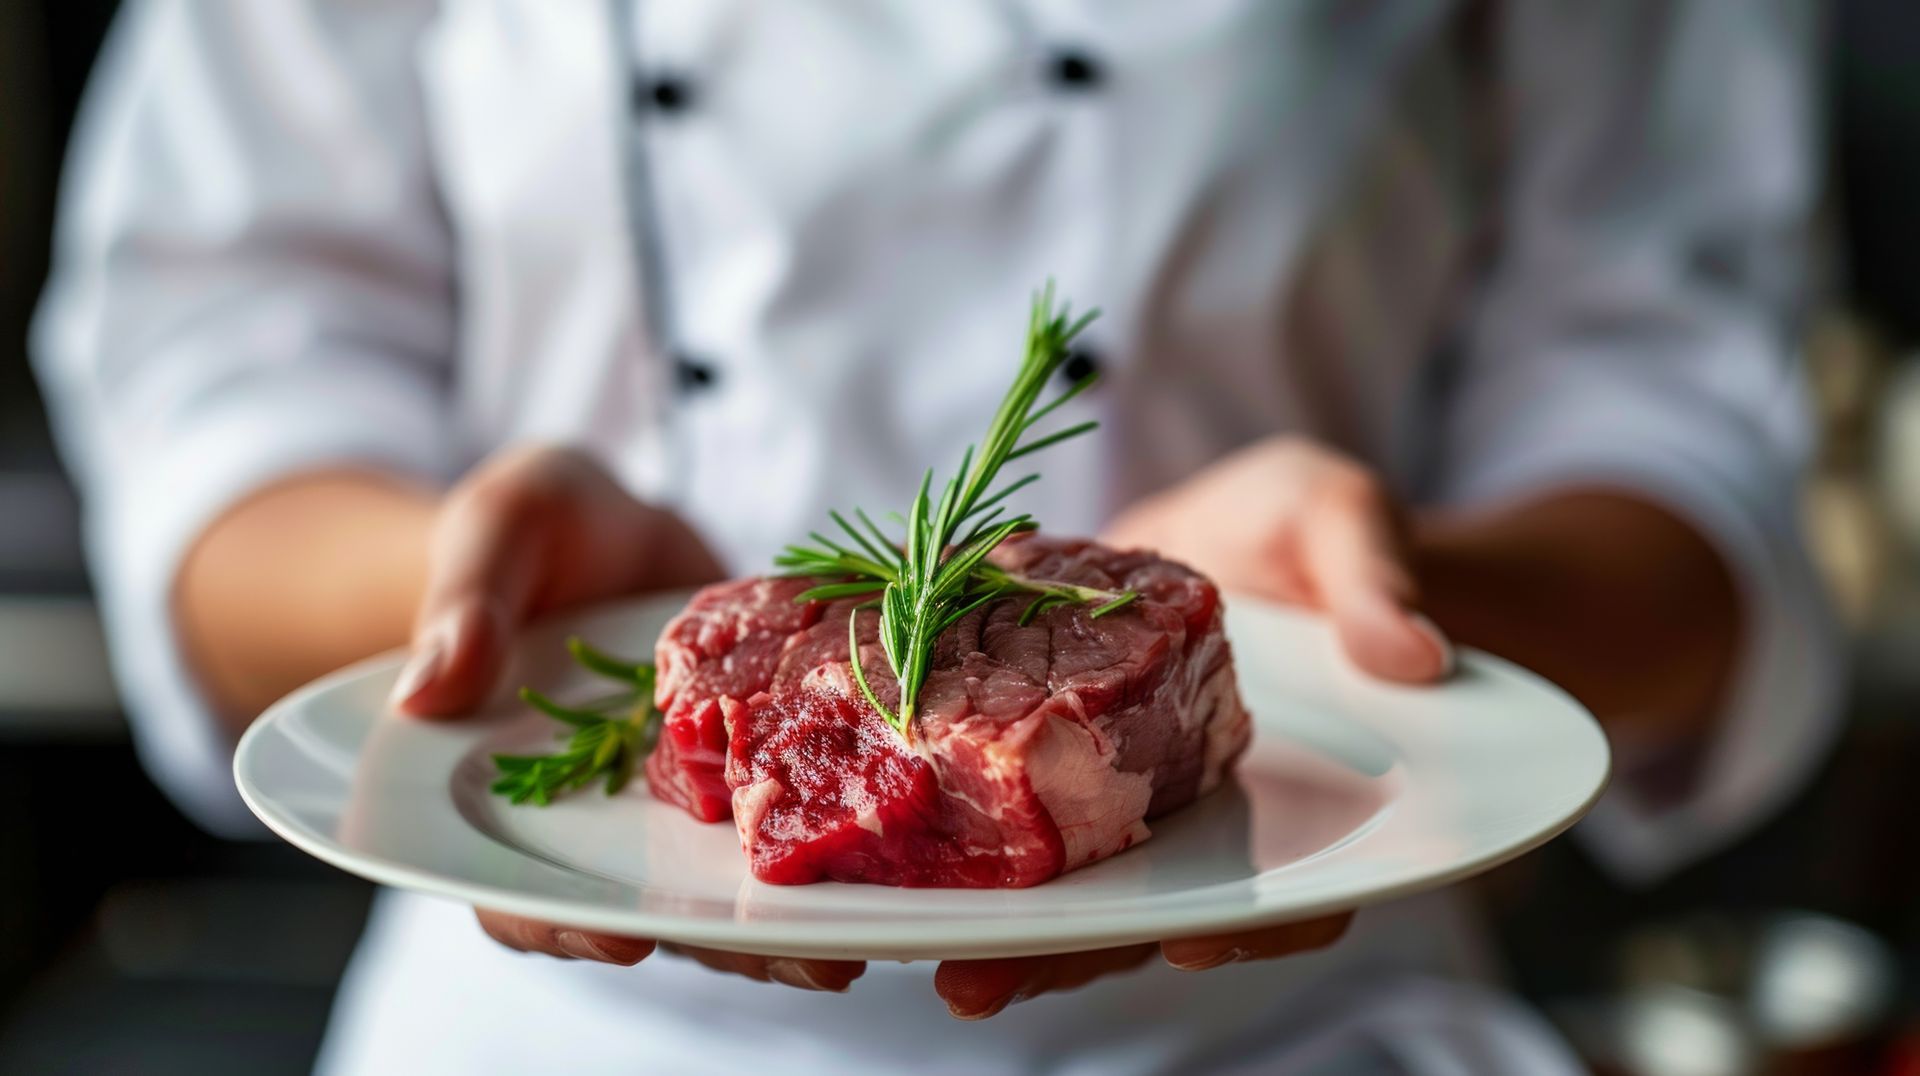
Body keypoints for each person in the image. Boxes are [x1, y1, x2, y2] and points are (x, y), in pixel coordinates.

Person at [34, 1, 1838, 1072]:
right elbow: (217, 370)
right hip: (567, 1039)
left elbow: (1682, 405)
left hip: (1291, 1031)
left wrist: (1381, 609)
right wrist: (460, 596)